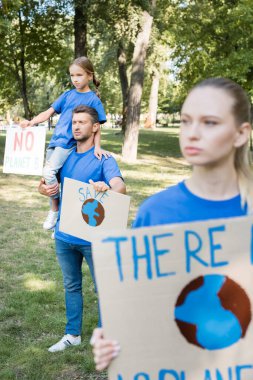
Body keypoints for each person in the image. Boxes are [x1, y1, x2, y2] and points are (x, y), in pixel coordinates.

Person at [90, 77, 253, 371]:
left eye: (210, 123)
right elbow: (136, 305)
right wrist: (112, 343)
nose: (192, 133)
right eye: (186, 121)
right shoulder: (157, 212)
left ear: (241, 134)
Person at [38, 105, 126, 353]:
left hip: (94, 237)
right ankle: (72, 334)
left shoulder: (104, 159)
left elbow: (120, 187)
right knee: (71, 286)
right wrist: (44, 189)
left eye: (82, 122)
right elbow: (44, 184)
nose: (76, 126)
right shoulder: (63, 157)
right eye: (74, 122)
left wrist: (107, 187)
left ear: (95, 127)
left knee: (104, 287)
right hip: (64, 236)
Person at [21, 56, 107, 231]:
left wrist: (97, 146)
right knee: (48, 178)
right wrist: (32, 122)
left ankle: (55, 210)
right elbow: (49, 112)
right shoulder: (67, 95)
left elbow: (97, 127)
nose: (75, 79)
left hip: (67, 144)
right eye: (72, 75)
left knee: (49, 171)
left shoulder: (93, 100)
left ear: (89, 76)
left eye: (79, 75)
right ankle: (59, 223)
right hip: (54, 142)